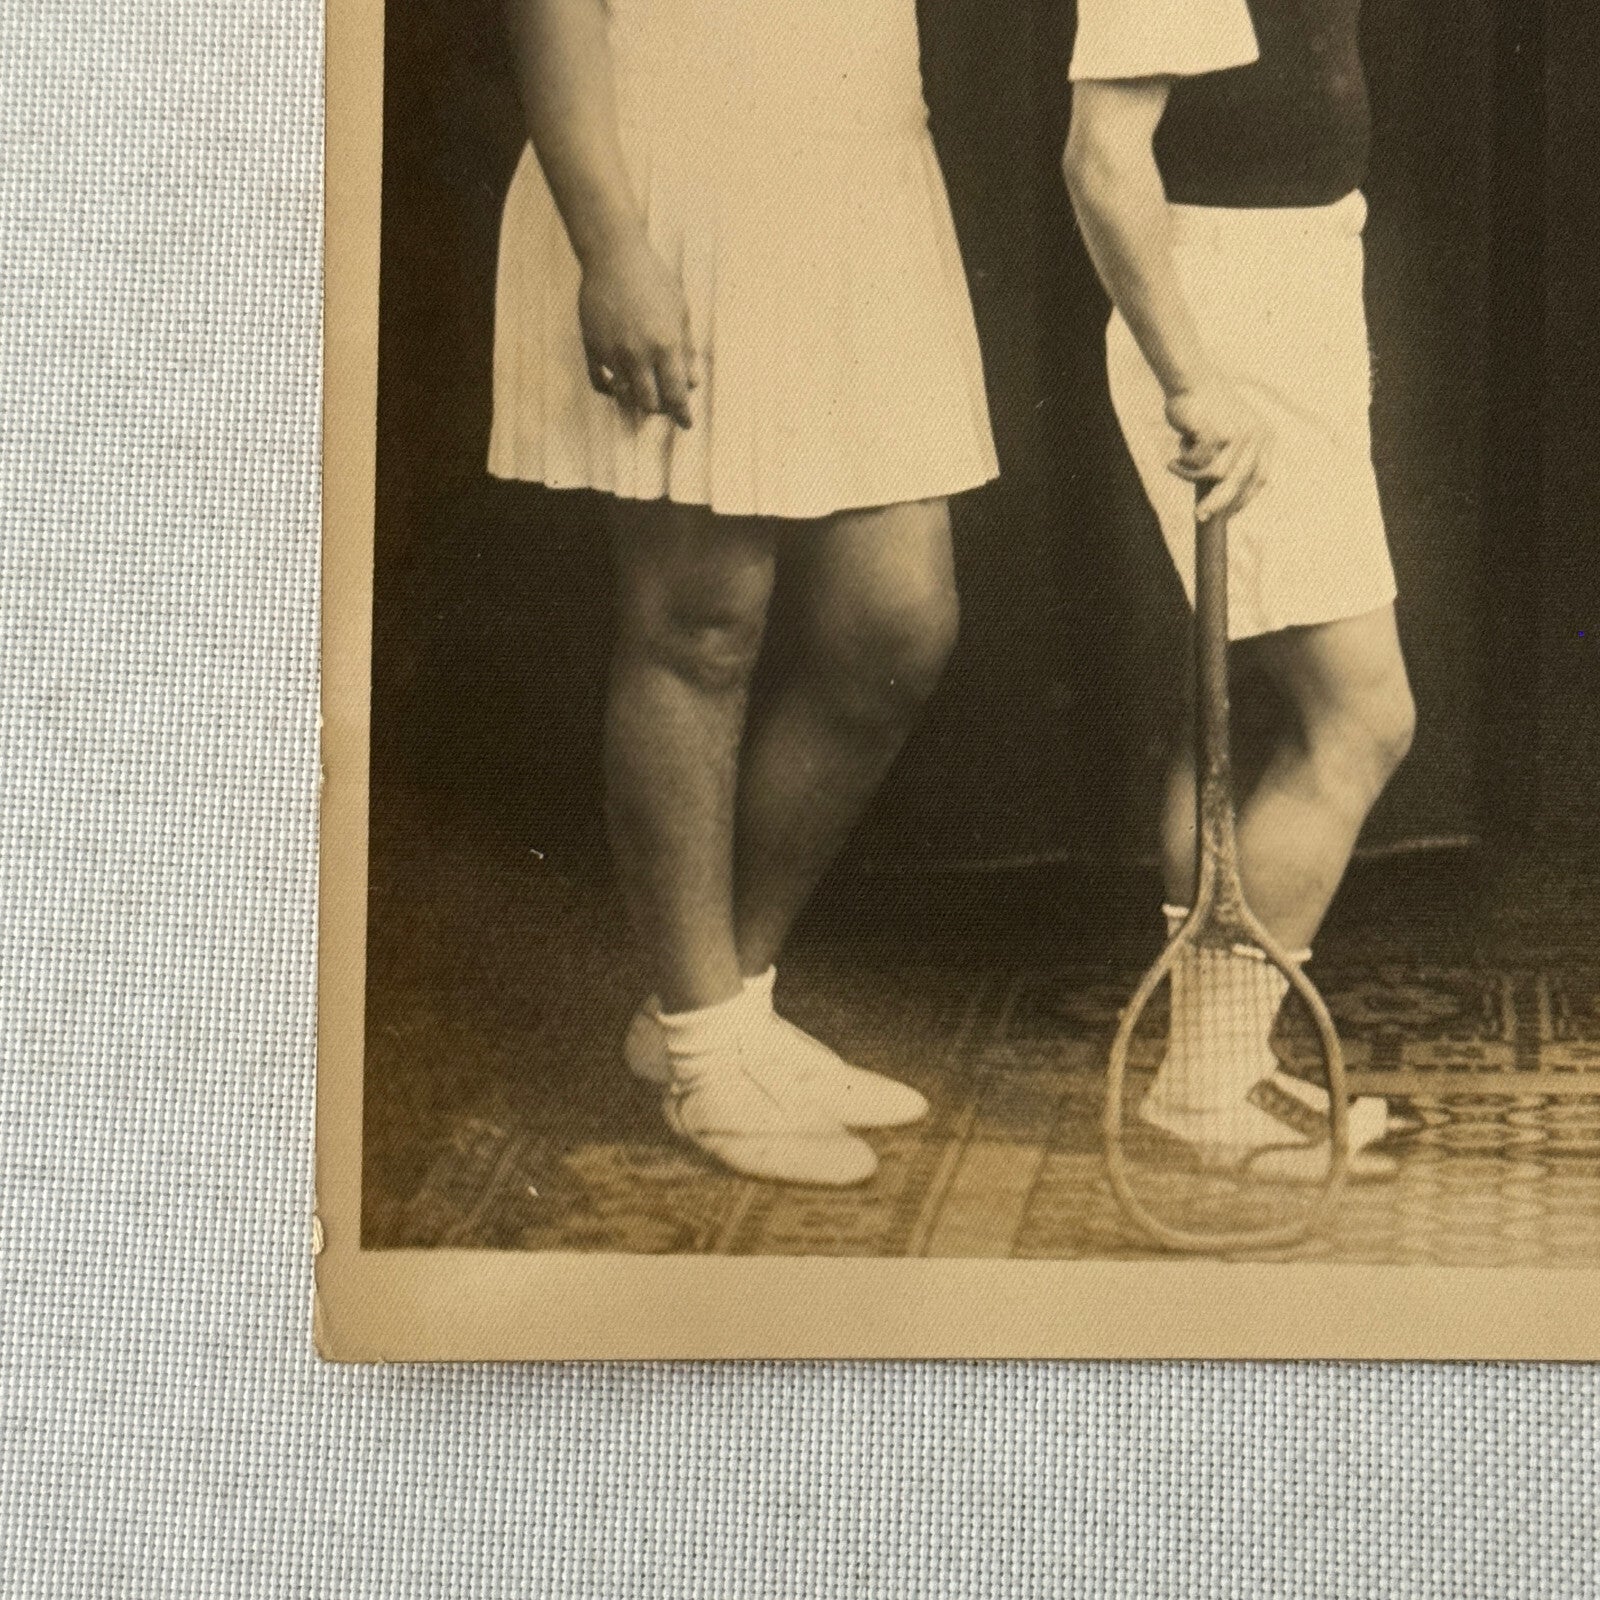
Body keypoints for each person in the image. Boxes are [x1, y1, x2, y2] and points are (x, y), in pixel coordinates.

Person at [493, 0, 999, 1185]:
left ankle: (725, 1004)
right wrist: (612, 245)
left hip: (858, 169)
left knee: (895, 622)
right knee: (701, 622)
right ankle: (704, 1040)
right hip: (670, 174)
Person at [1062, 0, 1416, 1170]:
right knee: (1359, 715)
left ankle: (1219, 1073)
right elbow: (1102, 157)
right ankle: (1205, 1086)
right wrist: (1192, 379)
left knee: (1241, 711)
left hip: (1298, 279)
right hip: (1225, 308)